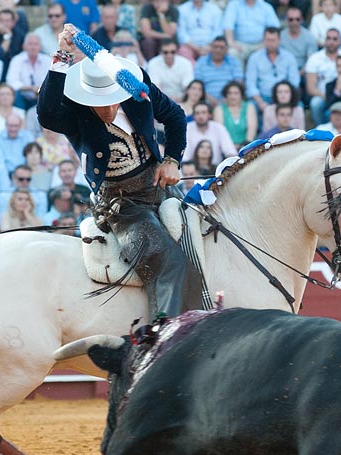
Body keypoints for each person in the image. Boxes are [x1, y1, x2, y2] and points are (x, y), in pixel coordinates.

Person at [38, 23, 203, 319]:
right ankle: (163, 338)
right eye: (98, 103)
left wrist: (172, 160)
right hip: (121, 205)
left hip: (158, 185)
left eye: (110, 100)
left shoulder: (136, 90)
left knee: (208, 236)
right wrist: (62, 56)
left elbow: (176, 116)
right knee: (169, 264)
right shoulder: (76, 112)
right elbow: (47, 114)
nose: (106, 109)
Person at [245, 27, 300, 114]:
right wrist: (260, 102)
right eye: (268, 40)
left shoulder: (289, 57)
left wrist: (285, 99)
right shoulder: (254, 58)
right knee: (251, 105)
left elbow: (294, 82)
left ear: (279, 40)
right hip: (263, 96)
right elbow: (250, 84)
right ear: (264, 41)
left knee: (299, 106)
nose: (270, 43)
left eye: (273, 40)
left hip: (284, 96)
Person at [304, 28, 341, 124]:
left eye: (334, 39)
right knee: (315, 103)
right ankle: (321, 129)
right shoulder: (315, 58)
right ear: (325, 40)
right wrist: (329, 96)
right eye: (328, 38)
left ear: (340, 41)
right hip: (322, 96)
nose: (331, 42)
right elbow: (311, 88)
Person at [5, 33, 49, 111]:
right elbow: (11, 82)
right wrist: (30, 88)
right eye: (30, 44)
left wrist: (40, 90)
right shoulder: (17, 60)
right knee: (15, 94)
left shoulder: (48, 60)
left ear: (40, 47)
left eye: (36, 44)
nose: (33, 47)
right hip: (22, 97)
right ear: (24, 46)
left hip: (42, 96)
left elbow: (51, 82)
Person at [146, 39, 195, 103]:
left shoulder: (185, 63)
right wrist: (167, 100)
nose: (169, 55)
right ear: (160, 52)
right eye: (165, 52)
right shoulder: (153, 63)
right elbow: (156, 87)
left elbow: (187, 86)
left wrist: (181, 98)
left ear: (177, 51)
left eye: (172, 52)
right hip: (161, 101)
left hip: (182, 99)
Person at [214, 81, 257, 147]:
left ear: (241, 95)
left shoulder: (249, 107)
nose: (232, 96)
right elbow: (220, 132)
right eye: (229, 93)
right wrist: (230, 148)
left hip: (246, 147)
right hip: (225, 147)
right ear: (226, 95)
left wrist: (244, 147)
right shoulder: (219, 109)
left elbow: (251, 129)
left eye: (236, 93)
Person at [280, 6, 317, 73]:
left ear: (302, 20)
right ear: (286, 20)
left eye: (297, 19)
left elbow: (311, 61)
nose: (294, 22)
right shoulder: (280, 36)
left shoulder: (309, 37)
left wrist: (298, 74)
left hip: (302, 71)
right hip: (283, 69)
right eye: (291, 19)